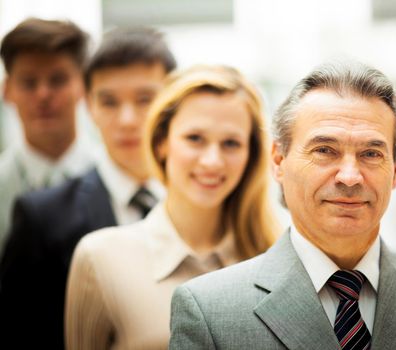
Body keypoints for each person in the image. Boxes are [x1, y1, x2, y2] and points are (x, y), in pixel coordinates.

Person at [169, 60, 396, 349]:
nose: (350, 176)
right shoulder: (210, 313)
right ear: (279, 161)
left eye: (371, 154)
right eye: (325, 150)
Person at [65, 64, 279, 349]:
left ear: (250, 154)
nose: (212, 161)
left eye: (231, 143)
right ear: (162, 142)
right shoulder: (100, 258)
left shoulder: (281, 248)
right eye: (195, 139)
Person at [0, 27, 175, 349]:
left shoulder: (205, 199)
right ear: (89, 103)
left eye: (145, 99)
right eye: (108, 101)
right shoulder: (41, 216)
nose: (126, 120)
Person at [0, 18, 92, 257]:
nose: (43, 95)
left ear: (83, 85)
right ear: (7, 90)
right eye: (29, 82)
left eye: (58, 80)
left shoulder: (117, 180)